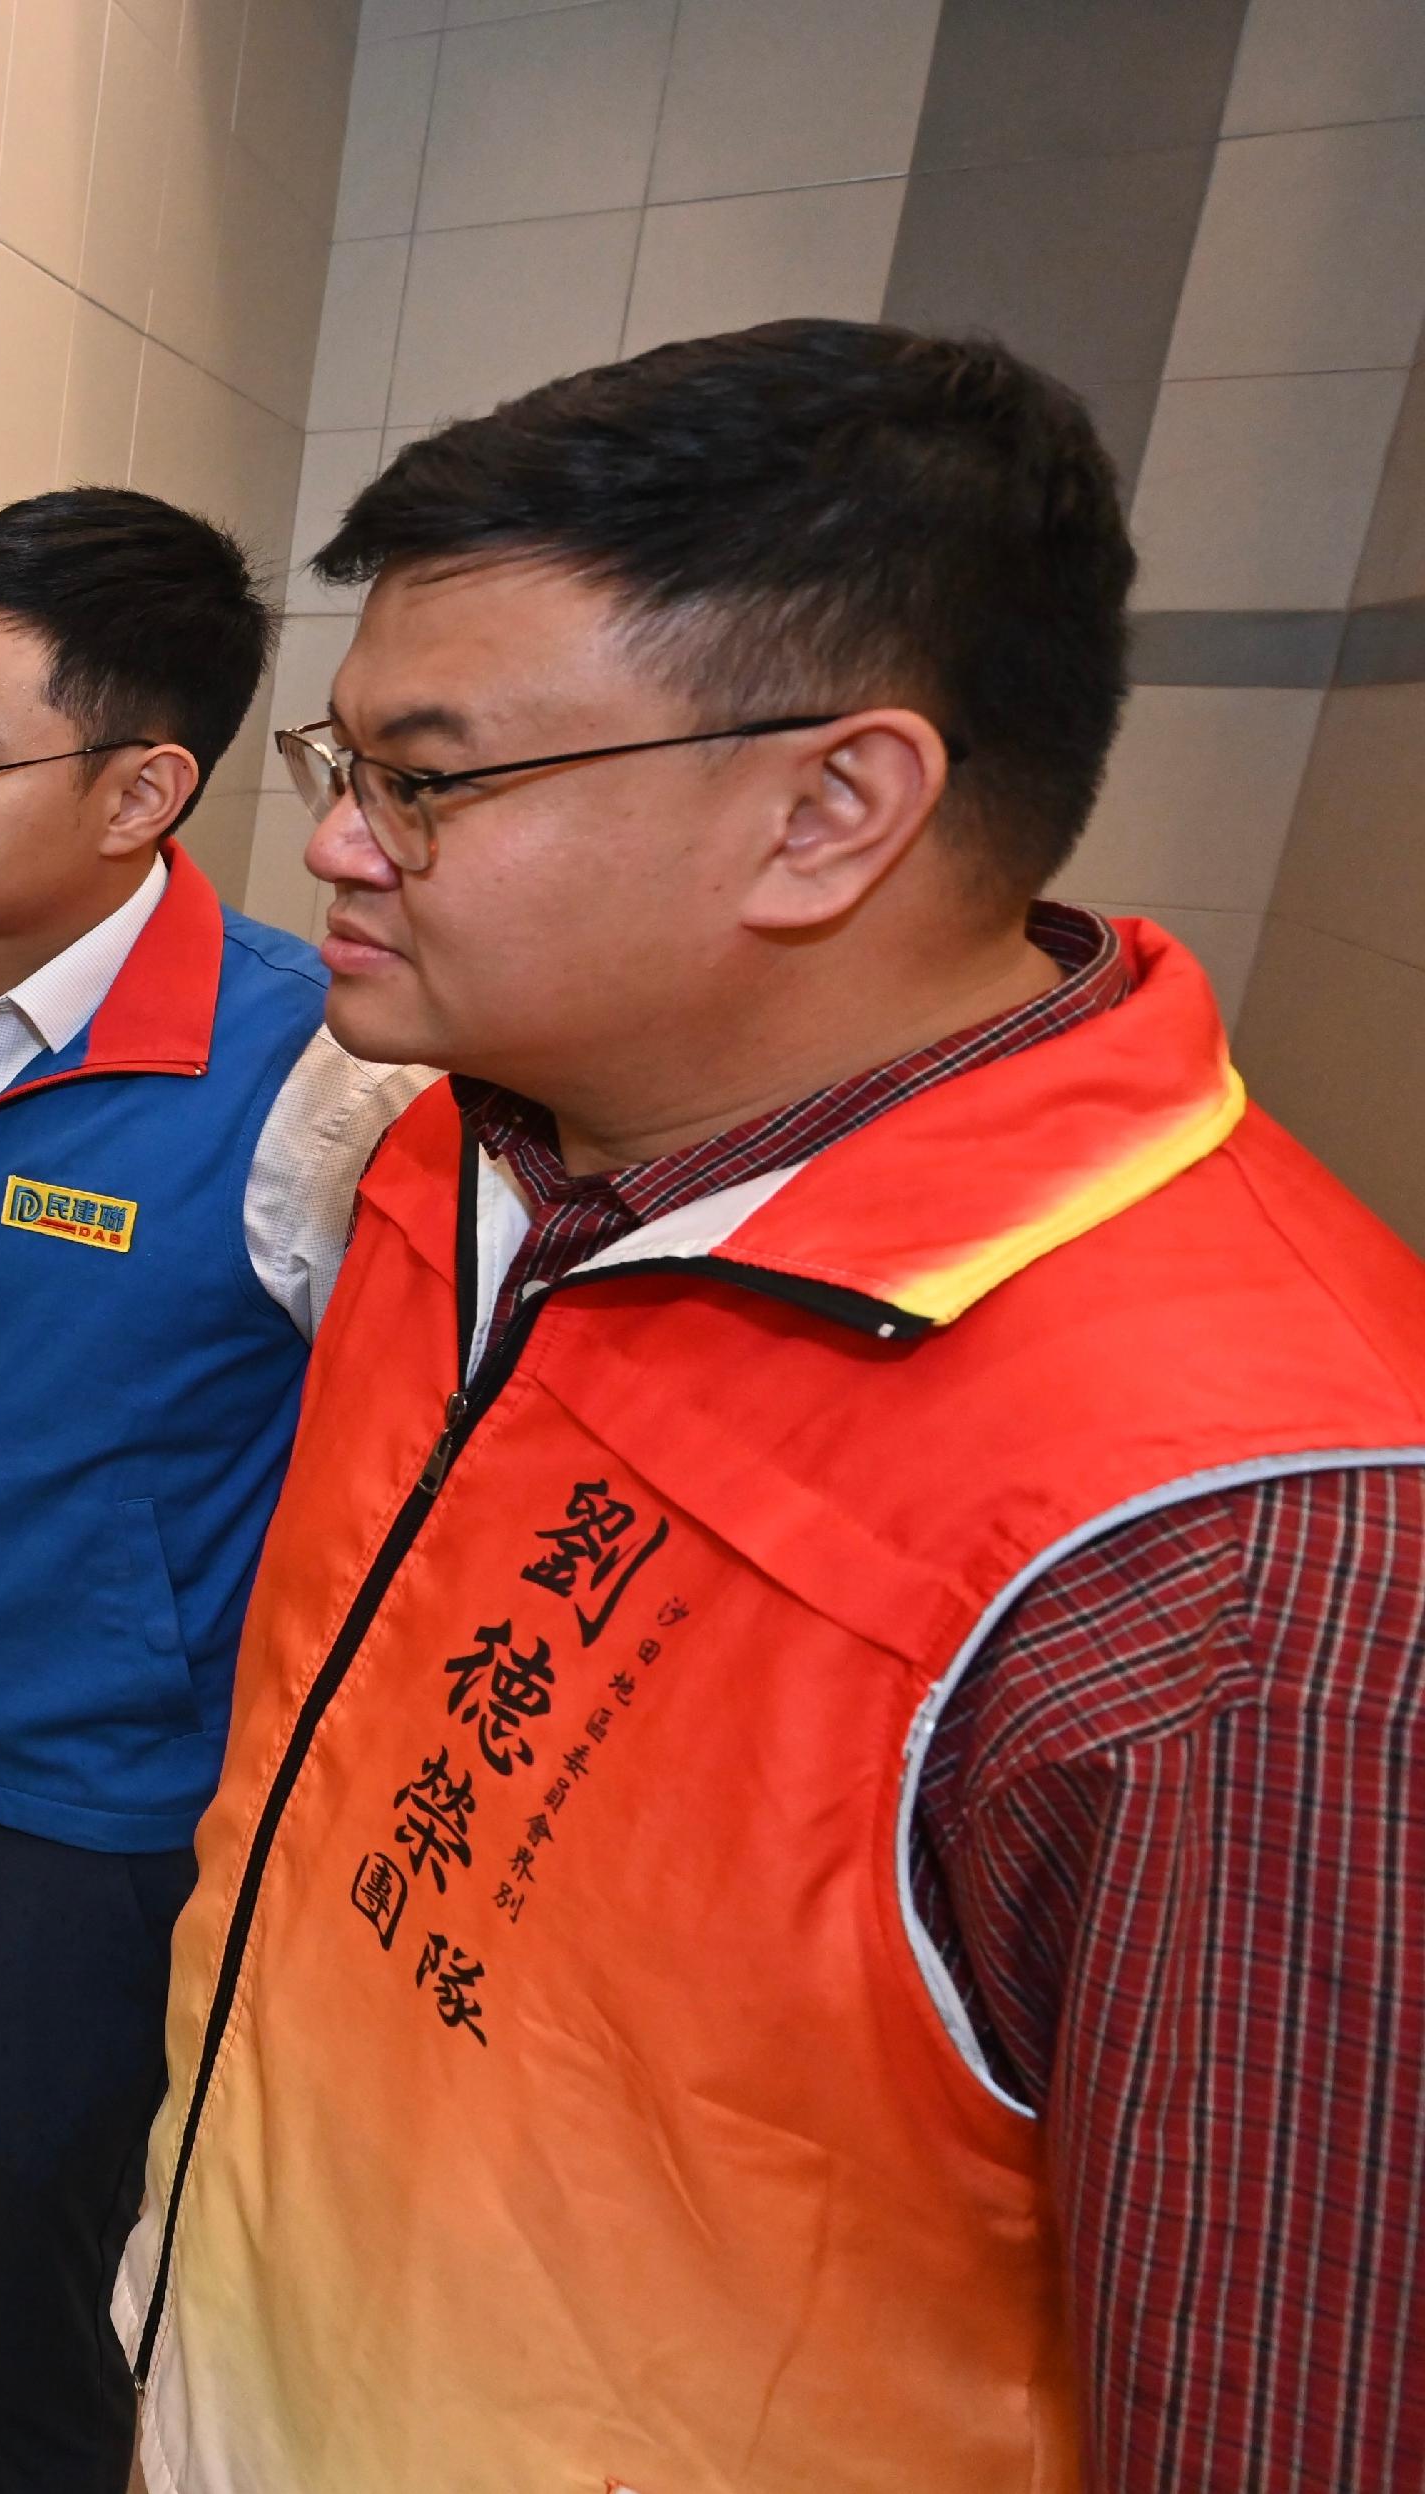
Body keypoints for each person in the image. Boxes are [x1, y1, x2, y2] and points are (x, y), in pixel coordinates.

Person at [117, 320, 1425, 2492]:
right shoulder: (444, 1143)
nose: (337, 847)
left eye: (422, 781)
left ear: (827, 810)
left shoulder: (1246, 1568)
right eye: (336, 763)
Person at [0, 487, 423, 2494]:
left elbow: (387, 1493)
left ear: (145, 786)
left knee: (53, 2238)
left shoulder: (311, 1074)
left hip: (76, 1809)